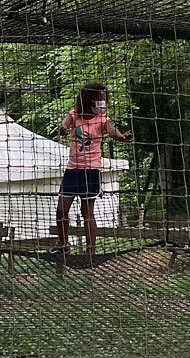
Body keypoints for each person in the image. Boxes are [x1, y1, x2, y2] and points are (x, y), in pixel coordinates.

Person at [49, 82, 131, 256]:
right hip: (72, 170)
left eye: (104, 100)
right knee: (61, 210)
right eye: (98, 100)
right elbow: (63, 126)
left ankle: (90, 251)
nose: (102, 103)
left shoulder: (103, 120)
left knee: (87, 212)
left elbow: (113, 132)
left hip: (91, 171)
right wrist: (62, 129)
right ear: (88, 100)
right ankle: (63, 244)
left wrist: (121, 137)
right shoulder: (74, 116)